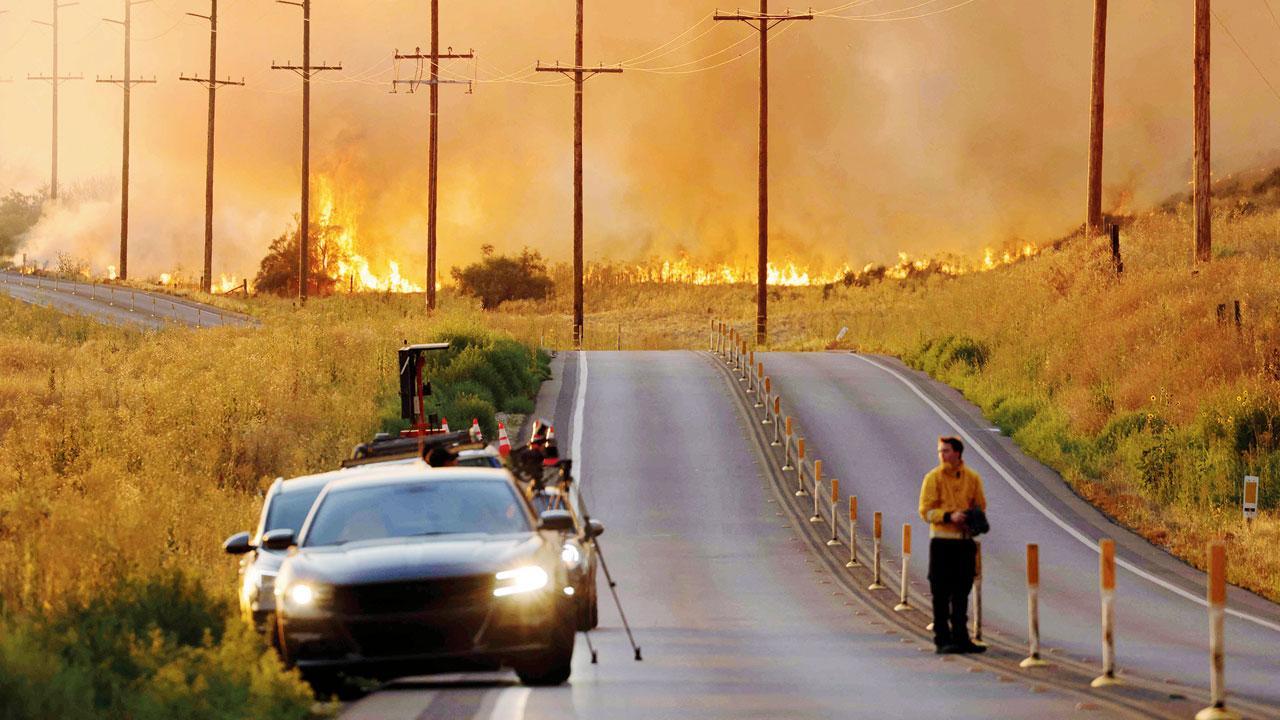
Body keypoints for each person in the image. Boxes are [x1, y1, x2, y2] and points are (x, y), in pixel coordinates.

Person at [918, 435, 987, 655]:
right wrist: (948, 516)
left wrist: (972, 518)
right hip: (941, 543)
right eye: (940, 451)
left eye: (946, 450)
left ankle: (961, 637)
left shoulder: (972, 478)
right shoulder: (933, 478)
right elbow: (925, 511)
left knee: (961, 592)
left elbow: (980, 505)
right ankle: (942, 639)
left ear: (957, 453)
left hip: (964, 544)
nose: (942, 455)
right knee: (940, 592)